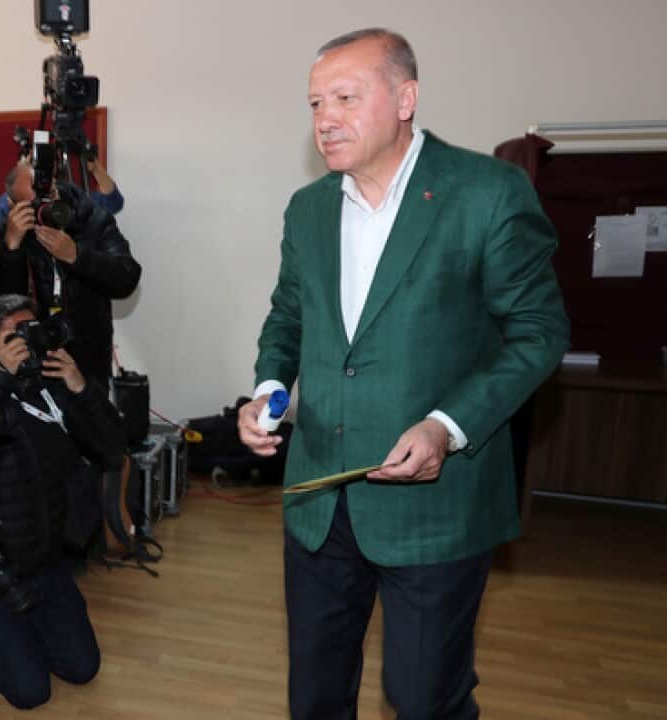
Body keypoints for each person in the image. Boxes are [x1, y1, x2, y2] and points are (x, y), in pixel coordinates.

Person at [236, 28, 569, 719]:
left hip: (434, 506)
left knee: (423, 700)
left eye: (346, 98)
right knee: (316, 694)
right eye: (315, 103)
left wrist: (448, 427)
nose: (325, 118)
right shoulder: (309, 209)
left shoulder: (487, 193)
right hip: (319, 500)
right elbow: (287, 322)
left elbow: (538, 334)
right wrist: (269, 391)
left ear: (406, 97)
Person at [0, 294, 125, 709]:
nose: (29, 344)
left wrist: (81, 388)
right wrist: (0, 378)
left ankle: (21, 630)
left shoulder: (51, 389)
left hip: (45, 563)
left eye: (33, 332)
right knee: (31, 693)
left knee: (82, 668)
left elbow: (114, 447)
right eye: (17, 336)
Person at [0, 163, 141, 382]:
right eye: (33, 203)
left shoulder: (93, 219)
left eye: (49, 195)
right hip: (31, 359)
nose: (45, 207)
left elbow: (127, 278)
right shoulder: (8, 234)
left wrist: (76, 256)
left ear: (55, 186)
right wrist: (12, 250)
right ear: (12, 204)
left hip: (89, 360)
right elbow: (0, 307)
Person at [0, 154, 124, 227]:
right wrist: (21, 177)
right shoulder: (13, 198)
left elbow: (114, 204)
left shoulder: (69, 192)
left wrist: (95, 168)